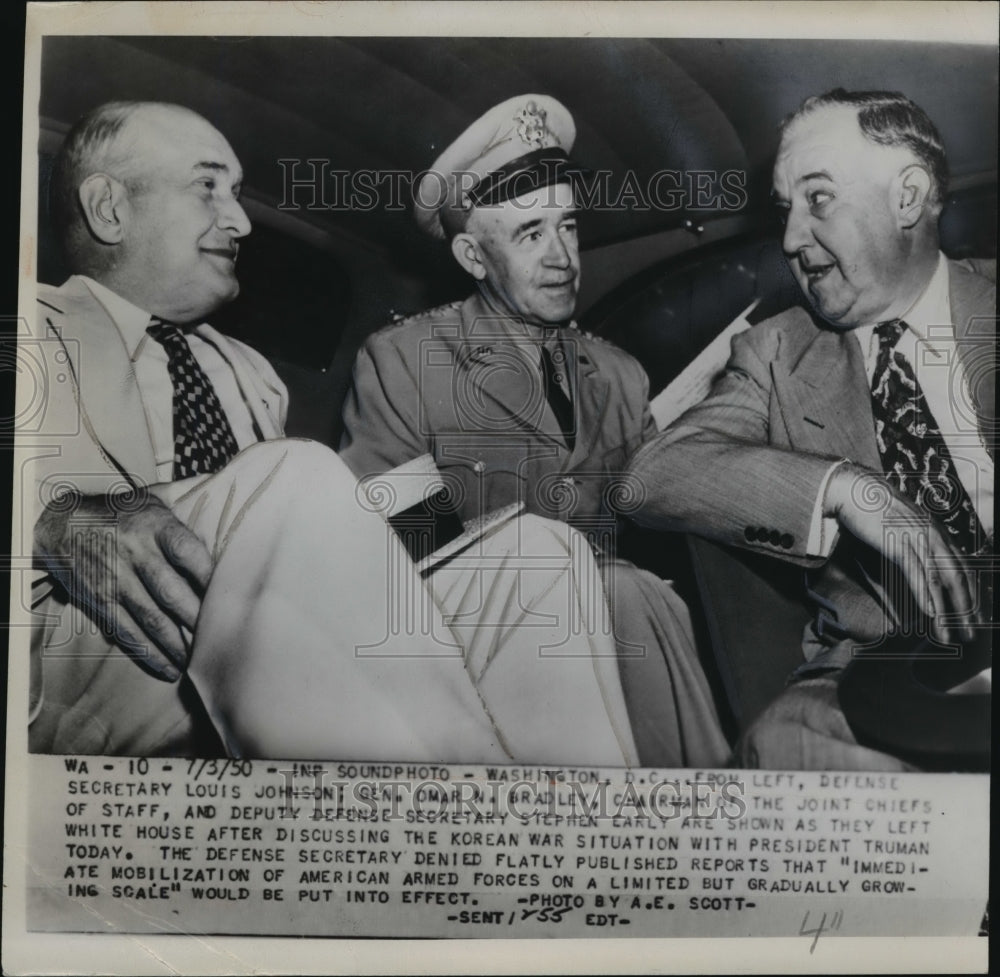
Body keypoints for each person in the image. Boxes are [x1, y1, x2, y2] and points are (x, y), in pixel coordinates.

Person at [26, 100, 638, 765]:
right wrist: (52, 519)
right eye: (208, 187)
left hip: (246, 643)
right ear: (109, 206)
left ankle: (576, 851)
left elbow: (284, 545)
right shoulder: (25, 328)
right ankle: (439, 838)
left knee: (538, 556)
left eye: (236, 193)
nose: (238, 219)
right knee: (296, 475)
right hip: (88, 659)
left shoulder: (248, 373)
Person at [340, 95, 730, 767]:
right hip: (480, 651)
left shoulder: (619, 372)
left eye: (568, 227)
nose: (562, 257)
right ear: (471, 254)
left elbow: (653, 514)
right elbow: (394, 550)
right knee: (625, 593)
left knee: (643, 597)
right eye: (529, 234)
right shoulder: (405, 358)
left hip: (620, 634)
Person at [626, 89, 994, 769]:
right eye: (785, 210)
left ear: (907, 197)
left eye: (818, 199)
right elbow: (650, 475)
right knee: (783, 740)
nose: (792, 238)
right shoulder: (775, 355)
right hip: (878, 687)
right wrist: (846, 489)